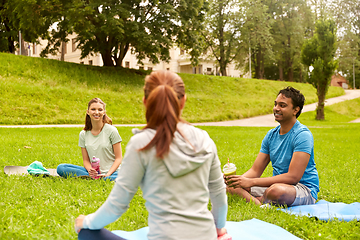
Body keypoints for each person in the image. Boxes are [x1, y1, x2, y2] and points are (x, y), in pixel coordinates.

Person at [74, 71, 228, 240]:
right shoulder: (204, 139)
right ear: (183, 101)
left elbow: (116, 206)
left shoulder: (141, 144)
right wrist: (219, 230)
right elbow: (219, 196)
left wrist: (85, 222)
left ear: (146, 102)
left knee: (87, 233)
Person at [226, 87, 319, 207]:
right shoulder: (271, 135)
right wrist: (237, 181)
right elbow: (255, 170)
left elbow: (293, 177)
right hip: (276, 185)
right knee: (230, 188)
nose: (276, 108)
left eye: (282, 105)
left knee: (275, 191)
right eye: (275, 104)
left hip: (302, 188)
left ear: (295, 110)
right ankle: (261, 204)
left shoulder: (302, 135)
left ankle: (258, 201)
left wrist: (250, 182)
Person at [57, 98, 123, 181]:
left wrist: (108, 174)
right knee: (61, 168)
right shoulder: (83, 134)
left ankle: (102, 179)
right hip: (94, 172)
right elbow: (86, 160)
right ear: (88, 112)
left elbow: (118, 158)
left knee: (122, 176)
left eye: (100, 110)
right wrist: (90, 170)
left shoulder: (112, 131)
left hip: (113, 172)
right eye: (93, 109)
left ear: (104, 112)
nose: (96, 112)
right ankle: (95, 178)